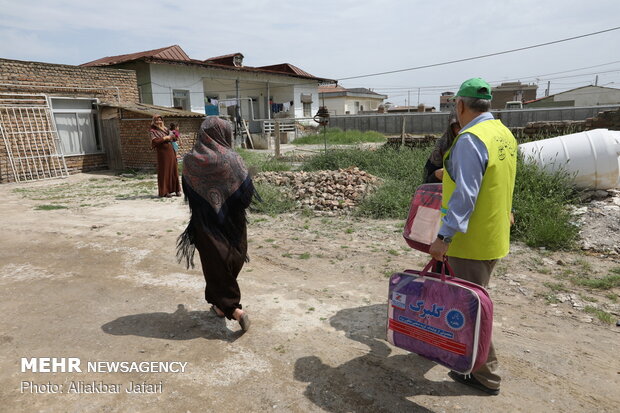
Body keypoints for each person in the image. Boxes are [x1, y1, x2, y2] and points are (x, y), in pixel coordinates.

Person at [429, 78, 517, 396]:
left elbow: (466, 195)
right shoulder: (502, 134)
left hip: (471, 241)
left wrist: (444, 236)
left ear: (461, 105)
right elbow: (500, 179)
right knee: (474, 301)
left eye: (455, 105)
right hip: (494, 234)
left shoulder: (470, 138)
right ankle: (466, 358)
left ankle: (486, 374)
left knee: (471, 308)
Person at [176, 117, 258, 332]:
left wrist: (210, 202)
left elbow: (189, 194)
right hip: (233, 222)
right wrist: (227, 200)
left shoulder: (190, 161)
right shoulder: (233, 159)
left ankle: (223, 307)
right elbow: (246, 195)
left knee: (215, 265)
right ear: (225, 133)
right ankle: (233, 309)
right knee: (231, 260)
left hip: (205, 223)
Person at [423, 113, 460, 183]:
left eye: (464, 125)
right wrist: (437, 175)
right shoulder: (443, 146)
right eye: (457, 126)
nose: (460, 130)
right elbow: (428, 181)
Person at [149, 115, 181, 197]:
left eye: (160, 120)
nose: (159, 122)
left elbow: (174, 138)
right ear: (154, 121)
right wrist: (165, 138)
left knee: (174, 170)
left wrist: (176, 132)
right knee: (165, 171)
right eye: (157, 120)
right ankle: (165, 191)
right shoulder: (153, 131)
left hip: (171, 152)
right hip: (163, 153)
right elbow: (155, 142)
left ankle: (176, 189)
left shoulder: (166, 129)